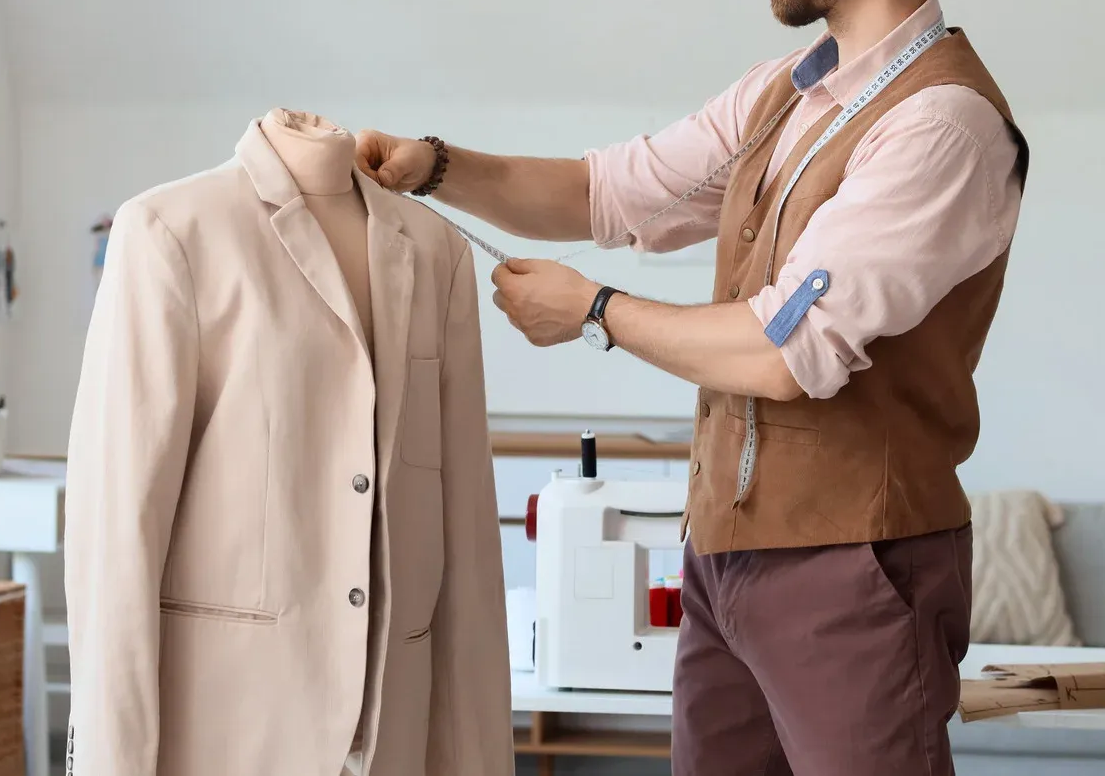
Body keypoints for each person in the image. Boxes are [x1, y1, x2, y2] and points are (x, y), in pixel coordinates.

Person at [356, 0, 1026, 773]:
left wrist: (594, 311)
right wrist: (438, 168)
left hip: (854, 568)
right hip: (721, 560)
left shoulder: (943, 124)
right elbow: (600, 193)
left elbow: (785, 352)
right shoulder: (784, 93)